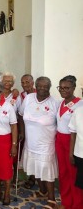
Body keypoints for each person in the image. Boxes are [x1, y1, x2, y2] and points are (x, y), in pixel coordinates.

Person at [19, 77, 59, 209]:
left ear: (50, 87)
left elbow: (60, 123)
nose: (42, 88)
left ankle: (52, 199)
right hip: (31, 142)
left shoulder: (55, 103)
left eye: (45, 86)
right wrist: (23, 133)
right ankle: (42, 191)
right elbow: (20, 114)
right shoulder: (29, 98)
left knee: (47, 171)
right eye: (39, 86)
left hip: (46, 144)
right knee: (35, 168)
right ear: (35, 85)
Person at [56, 75, 83, 208]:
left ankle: (76, 204)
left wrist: (72, 151)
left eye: (67, 88)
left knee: (74, 176)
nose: (63, 90)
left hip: (72, 142)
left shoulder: (80, 104)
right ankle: (66, 202)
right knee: (63, 174)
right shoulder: (61, 102)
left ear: (73, 88)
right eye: (60, 87)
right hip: (60, 140)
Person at [20, 74, 36, 189]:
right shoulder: (21, 95)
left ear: (32, 82)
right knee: (28, 154)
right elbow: (20, 114)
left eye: (27, 82)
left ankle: (36, 178)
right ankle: (31, 176)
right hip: (26, 128)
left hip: (38, 130)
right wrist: (22, 131)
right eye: (23, 83)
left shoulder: (39, 93)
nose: (25, 85)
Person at [69, 100, 83, 196]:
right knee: (81, 184)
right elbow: (73, 133)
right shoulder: (78, 111)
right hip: (80, 154)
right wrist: (71, 153)